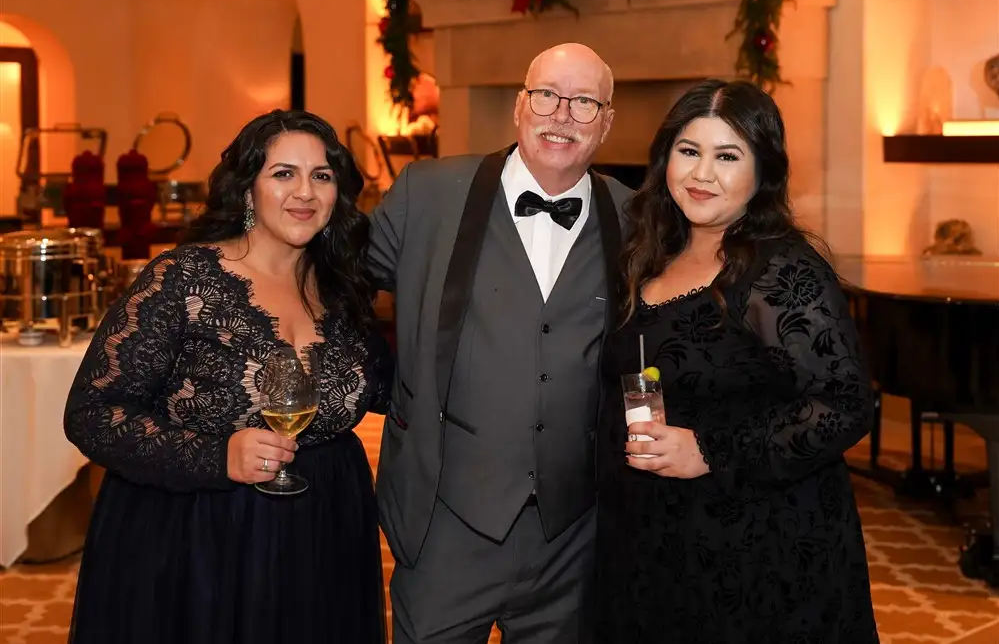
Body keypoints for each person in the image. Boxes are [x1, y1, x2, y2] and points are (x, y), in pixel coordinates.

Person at [64, 110, 391, 644]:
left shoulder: (343, 287)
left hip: (323, 529)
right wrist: (218, 457)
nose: (305, 192)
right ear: (247, 189)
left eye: (322, 176)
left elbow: (384, 389)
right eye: (283, 173)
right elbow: (93, 415)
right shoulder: (185, 279)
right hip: (200, 538)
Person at [595, 79, 879, 642]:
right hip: (654, 540)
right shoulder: (647, 251)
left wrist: (711, 450)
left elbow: (846, 405)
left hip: (759, 555)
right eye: (689, 150)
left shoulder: (783, 271)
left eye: (727, 156)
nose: (702, 174)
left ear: (762, 170)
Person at [368, 43, 631, 643]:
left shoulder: (635, 216)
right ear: (519, 105)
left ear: (606, 122)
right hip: (444, 525)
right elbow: (335, 286)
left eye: (584, 102)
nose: (561, 115)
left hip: (573, 538)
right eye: (547, 95)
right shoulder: (426, 193)